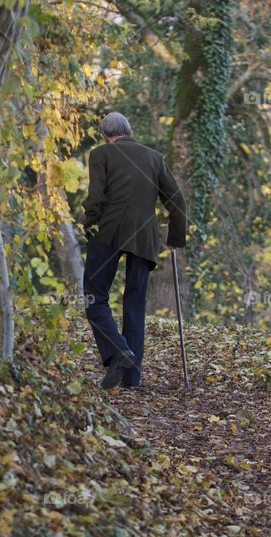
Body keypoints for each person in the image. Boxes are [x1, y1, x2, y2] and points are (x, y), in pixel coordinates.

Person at [81, 112, 188, 389]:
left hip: (109, 232)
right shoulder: (154, 157)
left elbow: (95, 198)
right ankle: (131, 378)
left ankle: (118, 350)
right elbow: (176, 199)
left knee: (95, 297)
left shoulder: (101, 154)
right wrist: (175, 236)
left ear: (105, 134)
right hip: (144, 237)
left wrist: (88, 224)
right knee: (135, 302)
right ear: (129, 131)